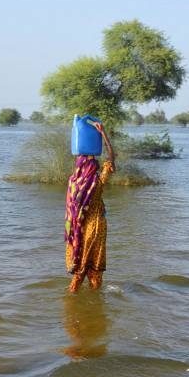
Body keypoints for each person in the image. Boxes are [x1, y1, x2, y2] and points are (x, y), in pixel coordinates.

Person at [65, 121, 116, 292]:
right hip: (97, 226)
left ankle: (71, 306)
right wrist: (103, 133)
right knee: (95, 270)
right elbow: (111, 158)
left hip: (78, 229)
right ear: (94, 168)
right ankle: (96, 303)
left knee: (78, 271)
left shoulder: (73, 182)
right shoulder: (98, 182)